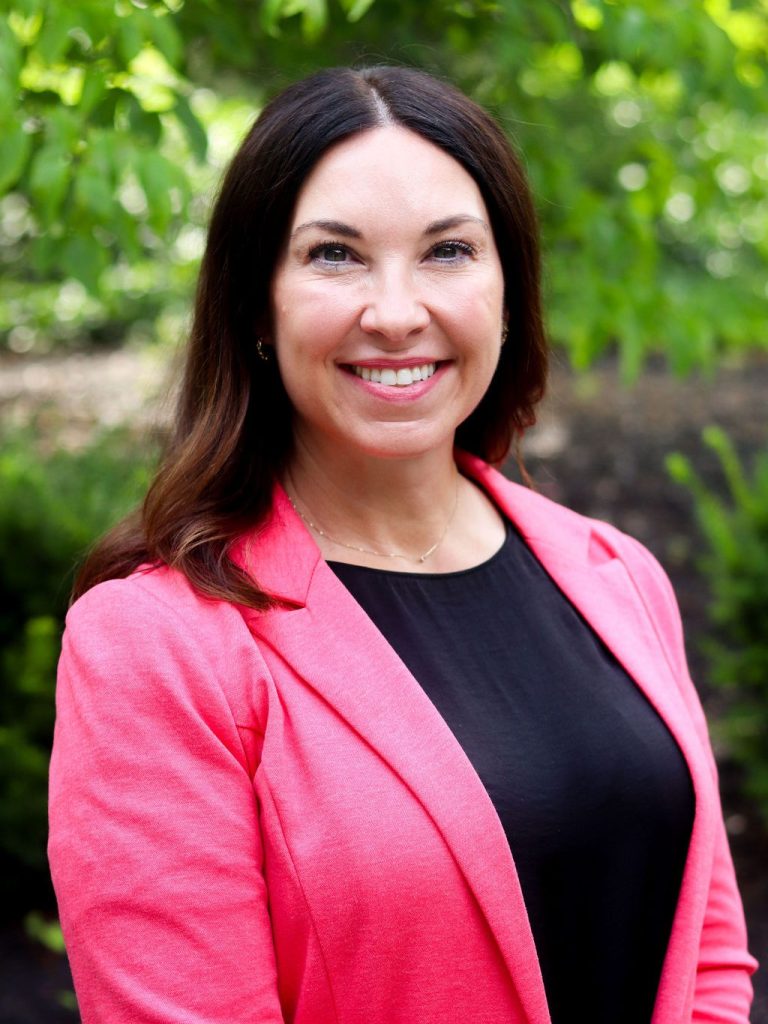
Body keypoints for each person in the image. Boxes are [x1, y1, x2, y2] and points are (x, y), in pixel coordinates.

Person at [48, 66, 757, 1024]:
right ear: (256, 303)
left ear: (508, 290)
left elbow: (707, 959)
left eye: (448, 252)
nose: (394, 311)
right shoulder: (160, 645)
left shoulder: (618, 576)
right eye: (335, 256)